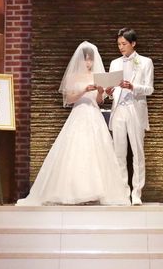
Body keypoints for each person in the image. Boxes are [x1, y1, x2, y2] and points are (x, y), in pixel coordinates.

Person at [17, 41, 130, 206]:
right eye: (86, 59)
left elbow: (99, 101)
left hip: (94, 114)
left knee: (96, 152)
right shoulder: (73, 77)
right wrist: (84, 90)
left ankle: (96, 192)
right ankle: (75, 191)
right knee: (76, 150)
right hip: (79, 113)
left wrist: (100, 92)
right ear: (80, 59)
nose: (89, 63)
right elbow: (69, 99)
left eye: (91, 59)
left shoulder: (96, 76)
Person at [106, 28, 154, 206]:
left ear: (133, 43)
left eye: (124, 44)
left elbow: (149, 89)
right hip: (119, 109)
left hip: (135, 108)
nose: (121, 47)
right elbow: (112, 89)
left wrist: (133, 86)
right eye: (119, 44)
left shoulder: (145, 62)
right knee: (119, 153)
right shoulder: (114, 63)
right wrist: (109, 92)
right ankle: (123, 192)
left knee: (137, 152)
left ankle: (137, 192)